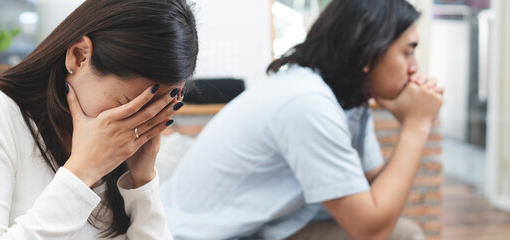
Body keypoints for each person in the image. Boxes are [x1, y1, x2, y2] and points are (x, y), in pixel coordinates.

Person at [161, 0, 443, 239]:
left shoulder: (348, 99)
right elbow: (370, 229)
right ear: (368, 53)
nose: (415, 67)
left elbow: (374, 189)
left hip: (266, 227)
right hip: (204, 234)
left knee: (403, 232)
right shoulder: (307, 102)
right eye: (408, 52)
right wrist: (416, 126)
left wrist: (411, 121)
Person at [0, 0, 198, 239]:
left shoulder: (126, 157)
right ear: (79, 56)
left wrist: (143, 180)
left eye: (157, 112)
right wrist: (82, 171)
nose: (138, 124)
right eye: (128, 106)